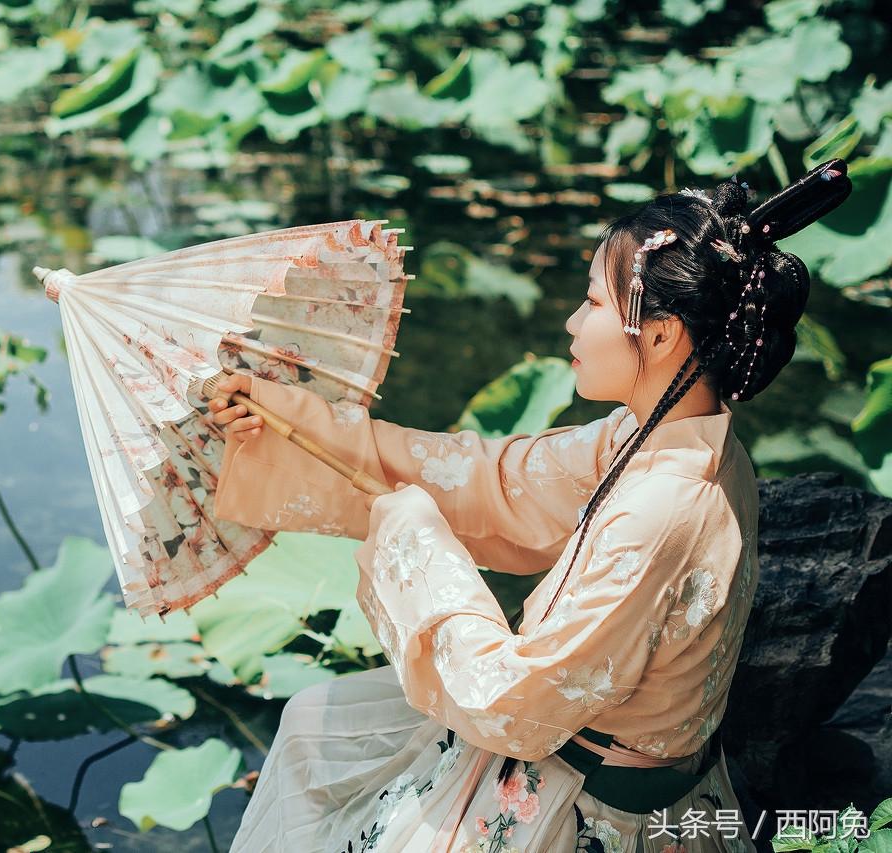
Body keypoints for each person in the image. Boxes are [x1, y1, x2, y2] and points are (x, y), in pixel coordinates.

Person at [203, 160, 852, 852]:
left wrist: (417, 542)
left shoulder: (665, 507)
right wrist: (282, 416)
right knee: (313, 721)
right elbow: (498, 483)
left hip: (589, 806)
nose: (574, 321)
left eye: (594, 302)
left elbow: (508, 702)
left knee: (328, 766)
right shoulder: (666, 435)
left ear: (661, 335)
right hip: (573, 740)